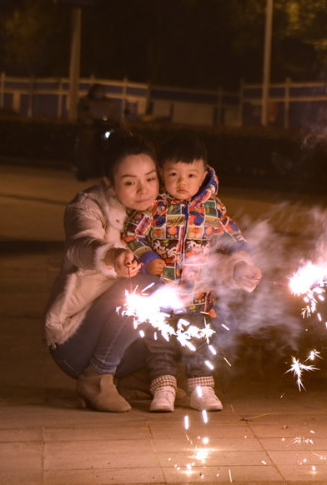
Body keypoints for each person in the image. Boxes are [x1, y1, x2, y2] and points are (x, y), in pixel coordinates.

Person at [124, 132, 262, 413]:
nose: (181, 182)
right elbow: (131, 234)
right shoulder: (154, 207)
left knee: (198, 339)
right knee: (158, 340)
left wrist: (243, 263)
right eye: (174, 174)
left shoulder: (212, 208)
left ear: (203, 175)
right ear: (162, 174)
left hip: (198, 293)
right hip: (159, 290)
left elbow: (234, 240)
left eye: (190, 175)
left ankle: (201, 388)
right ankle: (164, 386)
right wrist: (148, 257)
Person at [44, 134, 159, 412]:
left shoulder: (165, 211)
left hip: (127, 347)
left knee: (185, 286)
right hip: (76, 343)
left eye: (151, 179)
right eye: (130, 182)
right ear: (110, 184)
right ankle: (97, 376)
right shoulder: (88, 206)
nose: (143, 190)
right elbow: (79, 246)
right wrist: (112, 256)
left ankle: (149, 376)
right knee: (148, 284)